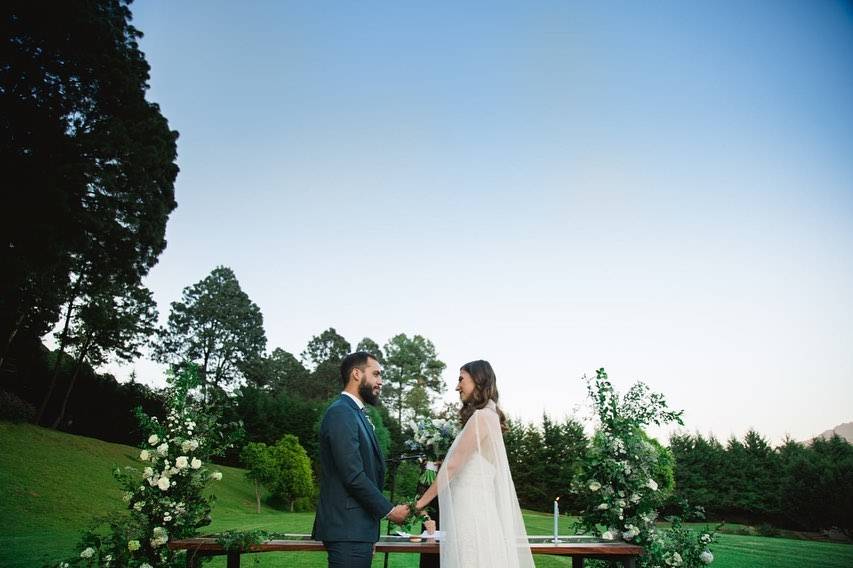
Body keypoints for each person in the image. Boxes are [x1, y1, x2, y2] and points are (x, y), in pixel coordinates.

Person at [414, 360, 534, 568]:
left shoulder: (481, 417)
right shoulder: (489, 416)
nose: (457, 386)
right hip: (475, 514)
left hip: (472, 519)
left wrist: (419, 504)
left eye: (461, 379)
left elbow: (453, 466)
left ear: (478, 380)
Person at [312, 351, 409, 568]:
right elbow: (352, 474)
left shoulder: (356, 413)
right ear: (356, 374)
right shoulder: (341, 412)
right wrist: (389, 511)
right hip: (347, 530)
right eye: (376, 374)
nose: (380, 381)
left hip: (358, 531)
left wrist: (369, 531)